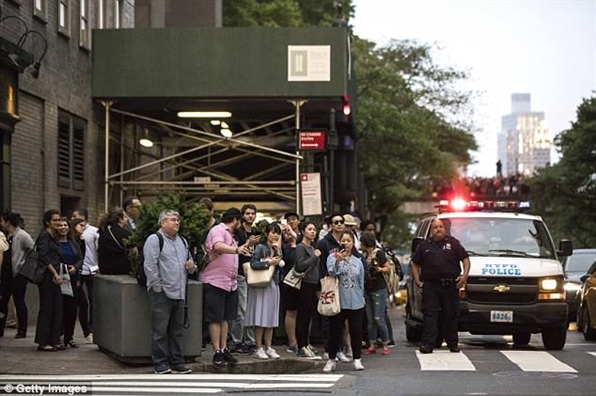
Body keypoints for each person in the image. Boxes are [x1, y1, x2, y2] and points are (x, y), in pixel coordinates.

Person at [144, 209, 197, 374]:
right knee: (159, 330)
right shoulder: (155, 239)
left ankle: (177, 361)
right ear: (163, 223)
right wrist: (157, 286)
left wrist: (192, 267)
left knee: (177, 330)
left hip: (180, 292)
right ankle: (160, 363)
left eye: (178, 220)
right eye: (173, 220)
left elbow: (191, 264)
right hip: (162, 292)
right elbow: (150, 265)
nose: (177, 223)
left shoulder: (183, 241)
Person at [410, 219, 470, 354]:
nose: (438, 229)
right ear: (431, 230)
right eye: (435, 227)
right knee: (430, 315)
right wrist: (417, 280)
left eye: (440, 227)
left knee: (451, 315)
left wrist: (464, 276)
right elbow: (414, 263)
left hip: (449, 285)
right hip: (431, 286)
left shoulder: (453, 243)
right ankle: (427, 344)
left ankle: (453, 344)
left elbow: (465, 259)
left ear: (444, 228)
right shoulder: (425, 245)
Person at [200, 207, 251, 368]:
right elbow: (218, 246)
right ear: (235, 220)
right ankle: (216, 351)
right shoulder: (218, 230)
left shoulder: (232, 236)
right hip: (215, 281)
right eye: (239, 221)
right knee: (215, 318)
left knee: (226, 317)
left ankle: (223, 348)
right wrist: (236, 249)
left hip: (230, 283)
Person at [323, 231, 366, 373]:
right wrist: (338, 260)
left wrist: (362, 297)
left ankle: (357, 359)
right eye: (344, 240)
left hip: (356, 300)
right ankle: (331, 359)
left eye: (349, 240)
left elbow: (361, 281)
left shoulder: (358, 261)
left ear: (353, 243)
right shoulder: (332, 257)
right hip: (339, 300)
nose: (346, 243)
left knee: (356, 330)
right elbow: (331, 272)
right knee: (334, 330)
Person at [245, 222, 284, 360]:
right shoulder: (261, 247)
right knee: (260, 316)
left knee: (271, 317)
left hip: (273, 283)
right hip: (261, 284)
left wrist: (277, 255)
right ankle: (258, 347)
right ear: (267, 233)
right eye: (272, 232)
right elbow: (253, 264)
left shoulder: (278, 249)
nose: (275, 235)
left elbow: (281, 266)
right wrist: (268, 262)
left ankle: (268, 347)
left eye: (277, 233)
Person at [229, 204, 260, 354]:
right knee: (241, 310)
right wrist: (249, 243)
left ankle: (250, 341)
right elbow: (236, 250)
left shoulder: (256, 232)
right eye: (247, 213)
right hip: (241, 273)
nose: (250, 216)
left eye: (253, 213)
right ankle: (236, 341)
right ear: (242, 216)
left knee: (251, 309)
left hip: (255, 274)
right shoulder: (238, 232)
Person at [0, 212, 34, 338]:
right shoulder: (5, 235)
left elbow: (33, 249)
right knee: (2, 302)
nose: (1, 224)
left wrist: (24, 266)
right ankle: (0, 329)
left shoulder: (22, 235)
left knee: (19, 301)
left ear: (8, 222)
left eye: (2, 221)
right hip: (5, 275)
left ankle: (22, 330)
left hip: (18, 274)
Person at [35, 210, 65, 351]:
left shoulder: (55, 236)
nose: (58, 223)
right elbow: (43, 256)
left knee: (57, 307)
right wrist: (55, 273)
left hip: (55, 275)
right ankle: (43, 341)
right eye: (55, 220)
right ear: (48, 222)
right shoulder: (45, 236)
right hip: (47, 276)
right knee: (47, 308)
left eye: (59, 220)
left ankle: (54, 340)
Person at [360, 232, 391, 355]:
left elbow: (388, 268)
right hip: (368, 289)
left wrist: (379, 269)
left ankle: (385, 343)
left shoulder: (378, 253)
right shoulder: (364, 255)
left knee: (379, 318)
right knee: (370, 319)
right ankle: (372, 344)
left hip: (379, 288)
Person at [294, 221, 321, 359]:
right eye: (310, 229)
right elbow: (300, 266)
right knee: (302, 317)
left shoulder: (312, 247)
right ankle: (301, 346)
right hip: (304, 284)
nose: (313, 232)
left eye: (314, 229)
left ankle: (306, 343)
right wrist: (315, 257)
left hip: (313, 284)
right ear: (303, 231)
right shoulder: (301, 247)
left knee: (309, 316)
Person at [71, 209, 98, 344]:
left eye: (76, 218)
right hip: (75, 273)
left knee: (89, 301)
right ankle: (69, 333)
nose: (73, 219)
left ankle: (89, 330)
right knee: (77, 302)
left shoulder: (93, 232)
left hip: (91, 270)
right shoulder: (71, 238)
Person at [55, 217, 83, 348]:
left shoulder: (73, 242)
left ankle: (69, 337)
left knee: (72, 309)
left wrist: (75, 268)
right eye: (60, 225)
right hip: (59, 279)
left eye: (65, 225)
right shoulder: (54, 243)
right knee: (60, 308)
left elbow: (80, 258)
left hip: (73, 279)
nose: (63, 227)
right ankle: (59, 335)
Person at [97, 209, 132, 275]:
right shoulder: (124, 234)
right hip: (120, 268)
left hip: (104, 268)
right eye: (125, 217)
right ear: (120, 219)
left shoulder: (103, 231)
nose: (127, 219)